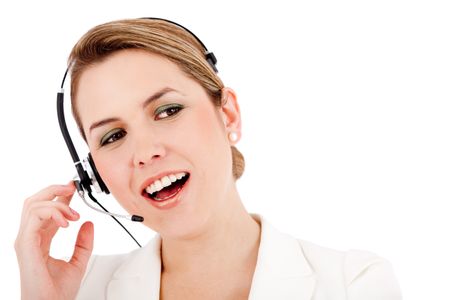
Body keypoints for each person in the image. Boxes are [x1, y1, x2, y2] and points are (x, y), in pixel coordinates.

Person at [15, 18, 402, 299]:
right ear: (95, 176)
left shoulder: (355, 284)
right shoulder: (79, 293)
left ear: (227, 114)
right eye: (114, 136)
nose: (145, 152)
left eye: (167, 111)